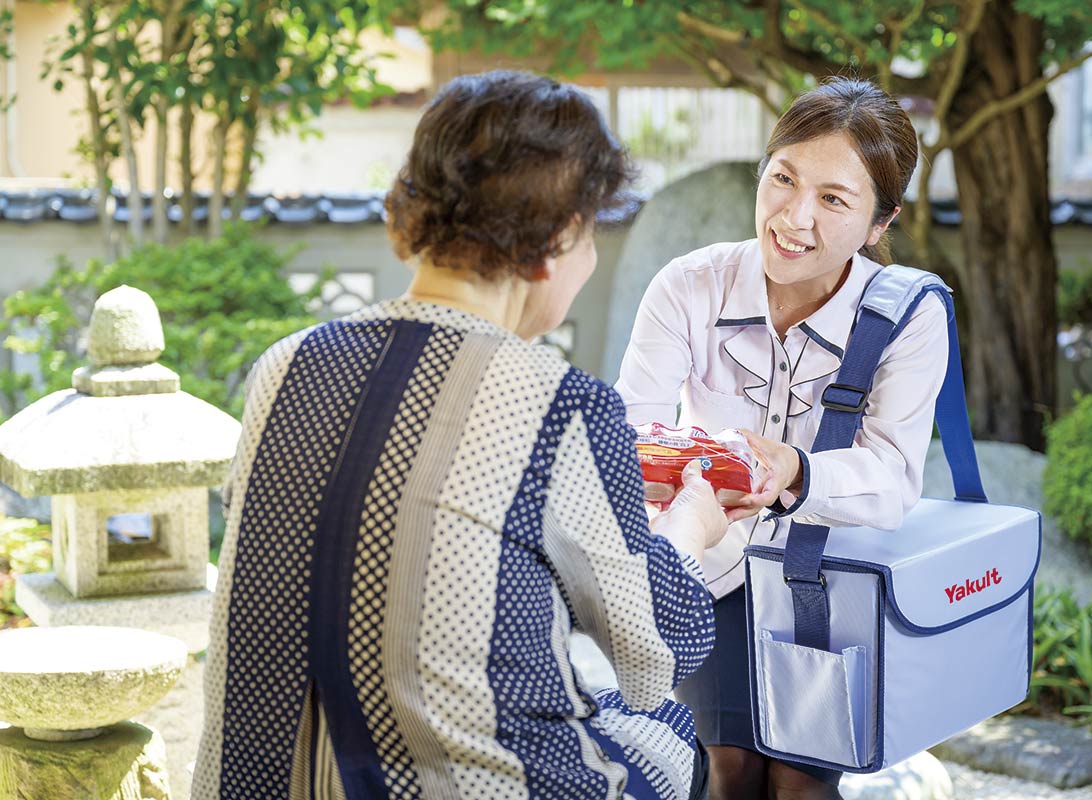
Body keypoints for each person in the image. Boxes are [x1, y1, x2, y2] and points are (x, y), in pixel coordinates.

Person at [195, 70, 730, 800]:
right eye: (592, 234)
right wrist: (691, 528)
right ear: (555, 240)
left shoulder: (284, 365)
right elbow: (657, 646)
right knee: (665, 727)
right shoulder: (559, 405)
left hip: (255, 783)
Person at [615, 78, 948, 800]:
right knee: (728, 769)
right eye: (784, 179)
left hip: (831, 576)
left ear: (880, 222)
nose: (795, 218)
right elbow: (632, 435)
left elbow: (892, 479)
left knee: (801, 781)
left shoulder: (906, 317)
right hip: (716, 568)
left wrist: (796, 469)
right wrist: (684, 488)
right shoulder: (688, 286)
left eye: (834, 199)